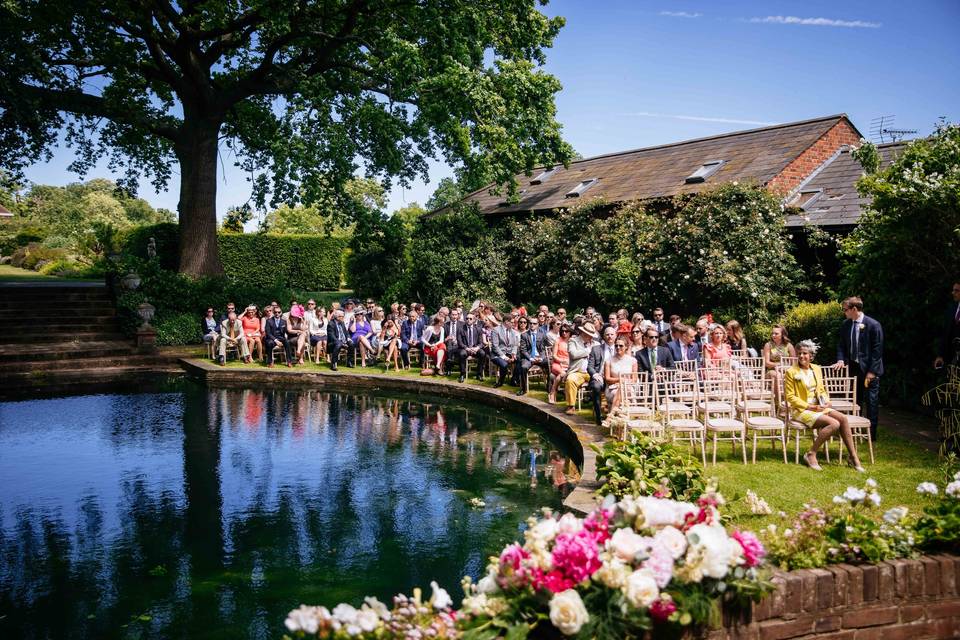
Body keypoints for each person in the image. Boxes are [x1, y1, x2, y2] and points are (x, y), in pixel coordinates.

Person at [786, 340, 865, 472]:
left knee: (843, 419)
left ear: (811, 355)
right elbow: (790, 397)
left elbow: (821, 390)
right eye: (799, 353)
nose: (801, 356)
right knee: (834, 424)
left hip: (819, 407)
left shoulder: (816, 369)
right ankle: (811, 454)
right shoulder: (791, 372)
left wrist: (826, 401)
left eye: (805, 353)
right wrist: (810, 407)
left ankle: (853, 457)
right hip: (802, 410)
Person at [834, 296, 884, 441]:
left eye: (845, 310)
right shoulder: (846, 324)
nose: (844, 312)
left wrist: (872, 372)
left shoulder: (873, 325)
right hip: (854, 369)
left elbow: (877, 351)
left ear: (854, 309)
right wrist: (840, 359)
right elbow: (841, 345)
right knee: (855, 402)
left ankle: (871, 435)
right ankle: (854, 432)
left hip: (869, 371)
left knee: (871, 402)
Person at [564, 324, 596, 416]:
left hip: (592, 371)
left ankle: (603, 405)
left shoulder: (595, 343)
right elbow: (573, 354)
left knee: (602, 380)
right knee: (570, 380)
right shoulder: (573, 341)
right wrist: (588, 351)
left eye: (591, 335)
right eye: (588, 334)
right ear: (583, 333)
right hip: (578, 371)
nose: (590, 337)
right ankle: (571, 406)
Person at [763, 325, 797, 410]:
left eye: (776, 333)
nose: (773, 335)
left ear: (782, 335)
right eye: (772, 333)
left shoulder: (789, 346)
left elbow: (794, 362)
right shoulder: (768, 345)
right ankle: (779, 404)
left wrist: (786, 368)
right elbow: (766, 363)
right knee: (777, 375)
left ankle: (794, 403)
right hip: (771, 371)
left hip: (786, 370)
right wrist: (778, 365)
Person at [518, 316, 551, 396]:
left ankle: (549, 387)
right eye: (531, 323)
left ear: (538, 325)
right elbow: (523, 350)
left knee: (550, 364)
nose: (532, 325)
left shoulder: (542, 334)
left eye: (534, 323)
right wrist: (530, 358)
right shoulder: (524, 335)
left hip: (539, 357)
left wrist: (542, 357)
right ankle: (523, 389)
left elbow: (544, 348)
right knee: (523, 367)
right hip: (529, 358)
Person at [604, 337, 638, 408]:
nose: (618, 347)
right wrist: (619, 380)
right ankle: (617, 413)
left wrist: (624, 383)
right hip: (612, 388)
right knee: (619, 391)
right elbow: (607, 379)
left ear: (626, 347)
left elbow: (634, 379)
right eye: (616, 345)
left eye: (621, 345)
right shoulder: (608, 361)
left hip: (628, 386)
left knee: (623, 390)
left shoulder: (633, 361)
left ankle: (613, 413)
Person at [934, 281, 960, 370]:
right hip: (953, 360)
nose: (953, 293)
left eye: (956, 291)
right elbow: (945, 333)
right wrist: (940, 355)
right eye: (953, 290)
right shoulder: (951, 308)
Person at [457, 311, 486, 382]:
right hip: (465, 348)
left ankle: (479, 374)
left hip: (475, 348)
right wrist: (467, 348)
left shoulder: (478, 329)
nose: (468, 320)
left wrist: (477, 348)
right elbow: (460, 342)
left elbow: (481, 343)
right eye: (467, 318)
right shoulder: (461, 329)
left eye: (470, 319)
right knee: (462, 354)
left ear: (474, 320)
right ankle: (462, 374)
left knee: (482, 353)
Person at [490, 315, 519, 388]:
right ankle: (500, 382)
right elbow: (495, 346)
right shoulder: (496, 330)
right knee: (504, 365)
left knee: (521, 360)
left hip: (509, 353)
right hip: (497, 355)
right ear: (506, 322)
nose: (514, 324)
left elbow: (515, 345)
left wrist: (513, 354)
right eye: (512, 322)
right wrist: (504, 357)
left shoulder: (513, 332)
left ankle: (514, 379)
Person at [548, 323, 571, 404]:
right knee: (562, 373)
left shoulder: (572, 340)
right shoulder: (558, 340)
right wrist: (561, 361)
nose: (564, 333)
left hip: (569, 364)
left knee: (562, 374)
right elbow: (554, 355)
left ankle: (552, 392)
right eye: (562, 331)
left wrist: (568, 362)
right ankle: (553, 393)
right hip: (557, 363)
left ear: (569, 332)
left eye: (566, 331)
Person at [443, 308, 463, 377]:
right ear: (449, 315)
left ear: (458, 315)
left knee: (450, 348)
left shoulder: (462, 324)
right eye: (453, 315)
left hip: (459, 344)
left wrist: (458, 340)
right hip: (448, 344)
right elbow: (442, 339)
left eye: (456, 315)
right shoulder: (445, 325)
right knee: (449, 343)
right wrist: (447, 338)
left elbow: (464, 337)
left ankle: (449, 364)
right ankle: (449, 369)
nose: (454, 316)